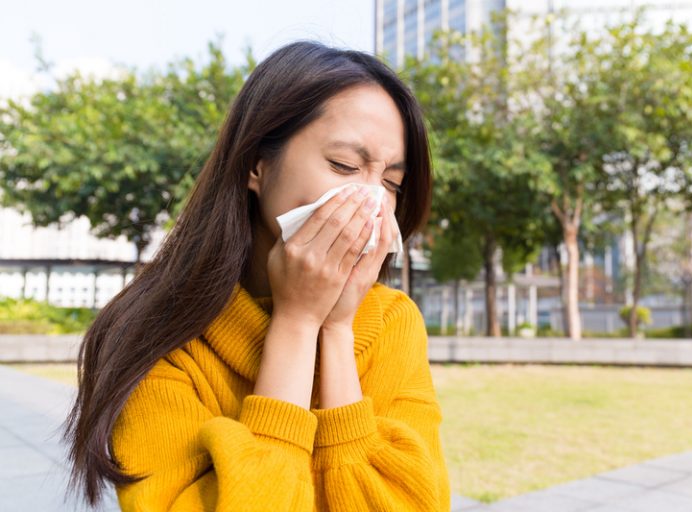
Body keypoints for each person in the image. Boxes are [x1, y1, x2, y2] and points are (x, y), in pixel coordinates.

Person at [62, 40, 451, 511]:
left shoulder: (392, 323)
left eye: (391, 182)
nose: (372, 202)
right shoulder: (157, 338)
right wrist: (297, 322)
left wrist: (336, 330)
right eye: (344, 166)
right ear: (256, 165)